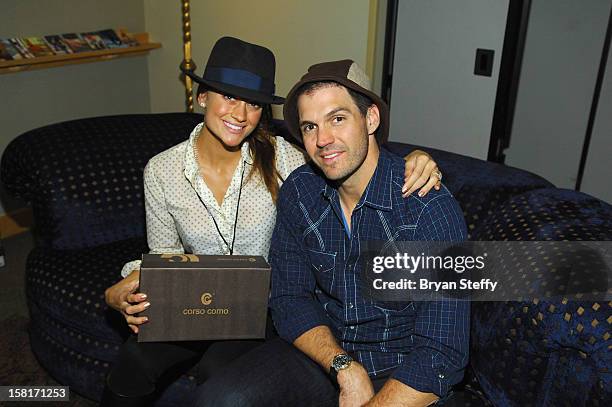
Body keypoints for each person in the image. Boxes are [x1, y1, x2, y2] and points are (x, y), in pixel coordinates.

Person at [101, 38, 443, 406]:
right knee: (131, 361)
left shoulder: (286, 160)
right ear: (202, 97)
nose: (240, 113)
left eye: (253, 103)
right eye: (229, 97)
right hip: (193, 302)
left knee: (219, 376)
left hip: (261, 311)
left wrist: (417, 158)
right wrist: (121, 289)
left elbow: (347, 156)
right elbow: (164, 256)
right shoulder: (162, 170)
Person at [192, 60, 469, 407]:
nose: (323, 140)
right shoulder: (300, 191)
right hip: (328, 355)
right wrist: (344, 367)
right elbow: (290, 298)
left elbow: (442, 353)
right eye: (310, 126)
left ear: (370, 119)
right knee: (219, 399)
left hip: (406, 372)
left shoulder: (431, 208)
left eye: (337, 118)